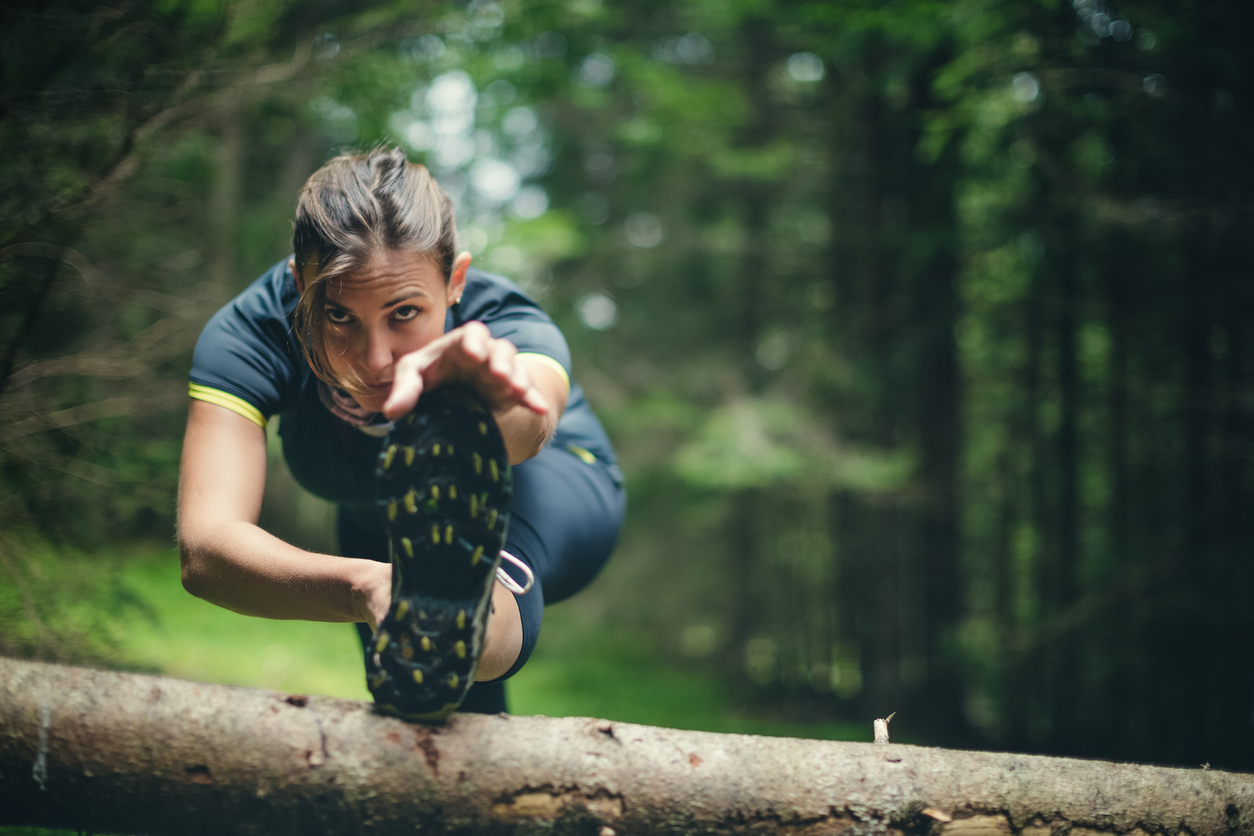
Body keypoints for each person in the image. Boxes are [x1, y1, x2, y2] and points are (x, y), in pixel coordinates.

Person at [177, 146, 625, 718]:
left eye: (405, 313)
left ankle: (458, 622)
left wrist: (481, 410)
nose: (375, 358)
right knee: (423, 714)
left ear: (455, 281)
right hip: (376, 522)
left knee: (455, 622)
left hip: (552, 482)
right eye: (338, 315)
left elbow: (529, 430)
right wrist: (365, 587)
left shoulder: (503, 320)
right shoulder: (253, 334)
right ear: (298, 283)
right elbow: (206, 550)